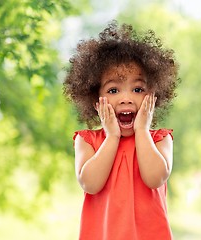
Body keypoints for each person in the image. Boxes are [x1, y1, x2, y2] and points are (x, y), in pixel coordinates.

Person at [63, 20, 180, 240]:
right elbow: (90, 183)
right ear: (95, 97)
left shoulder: (159, 139)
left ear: (152, 96)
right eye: (114, 89)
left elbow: (155, 178)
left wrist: (143, 131)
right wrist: (112, 136)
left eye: (137, 89)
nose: (126, 98)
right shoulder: (87, 141)